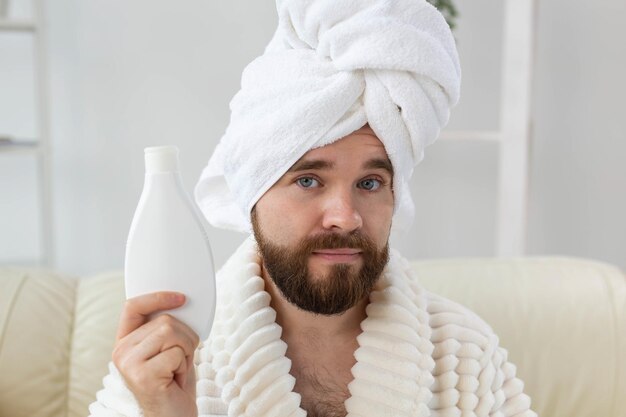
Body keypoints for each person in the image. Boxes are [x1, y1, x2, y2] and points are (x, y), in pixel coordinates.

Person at [90, 1, 536, 416]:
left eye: (370, 182)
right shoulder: (165, 361)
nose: (345, 215)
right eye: (308, 180)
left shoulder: (462, 354)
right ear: (252, 193)